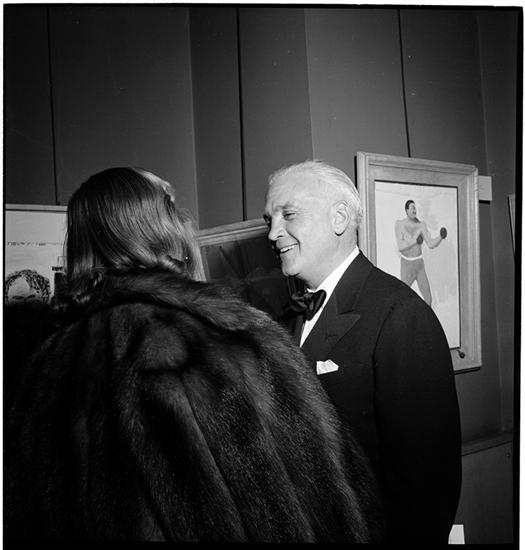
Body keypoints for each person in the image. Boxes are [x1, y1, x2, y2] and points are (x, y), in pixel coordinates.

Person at [4, 166, 384, 543]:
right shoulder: (208, 342)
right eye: (171, 207)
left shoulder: (44, 362)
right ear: (158, 229)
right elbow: (307, 505)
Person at [264, 159, 462, 544]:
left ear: (339, 218)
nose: (273, 233)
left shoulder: (400, 314)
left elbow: (427, 489)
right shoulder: (286, 317)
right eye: (269, 220)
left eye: (288, 214)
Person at [395, 199, 447, 307]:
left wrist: (440, 237)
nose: (415, 210)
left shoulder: (421, 225)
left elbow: (430, 244)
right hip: (407, 266)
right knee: (401, 299)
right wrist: (415, 241)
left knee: (428, 299)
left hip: (419, 265)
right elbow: (401, 246)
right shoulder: (400, 224)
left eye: (415, 208)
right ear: (406, 210)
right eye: (412, 208)